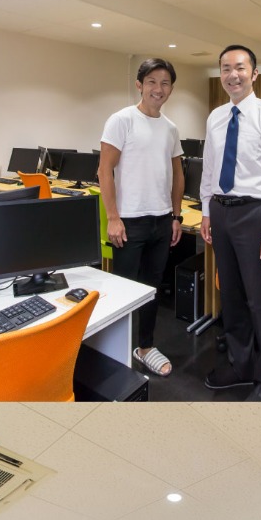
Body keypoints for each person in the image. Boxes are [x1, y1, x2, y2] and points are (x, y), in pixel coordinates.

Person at [200, 44, 261, 400]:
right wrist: (207, 211)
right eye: (225, 68)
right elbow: (210, 169)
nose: (232, 75)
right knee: (233, 297)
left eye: (239, 67)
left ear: (254, 73)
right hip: (221, 212)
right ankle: (241, 366)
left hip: (255, 215)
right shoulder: (215, 117)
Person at [99, 58, 185, 377]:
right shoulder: (121, 120)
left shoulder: (170, 128)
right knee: (123, 288)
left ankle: (145, 347)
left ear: (171, 88)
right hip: (129, 222)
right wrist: (113, 217)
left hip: (161, 221)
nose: (158, 89)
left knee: (151, 288)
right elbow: (104, 170)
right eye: (151, 82)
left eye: (165, 83)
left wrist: (176, 216)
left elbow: (177, 174)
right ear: (139, 85)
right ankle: (113, 351)